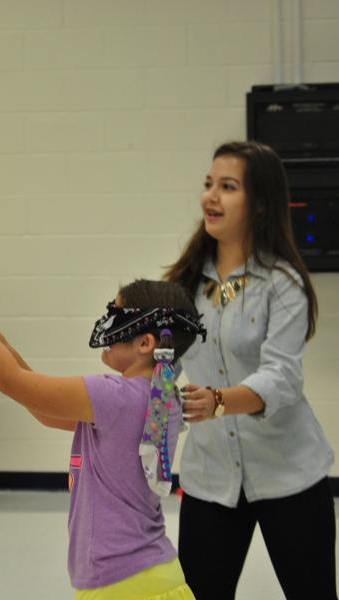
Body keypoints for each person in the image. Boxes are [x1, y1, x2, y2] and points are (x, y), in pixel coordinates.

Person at [0, 278, 206, 599]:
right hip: (154, 577)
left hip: (119, 586)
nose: (107, 326)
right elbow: (43, 406)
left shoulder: (115, 396)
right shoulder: (158, 397)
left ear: (145, 343)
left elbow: (13, 382)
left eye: (118, 317)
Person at [165, 141, 336, 600]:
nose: (210, 197)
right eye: (208, 185)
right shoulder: (182, 285)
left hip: (289, 475)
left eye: (227, 187)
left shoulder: (283, 285)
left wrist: (219, 401)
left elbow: (281, 376)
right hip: (210, 479)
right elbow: (162, 363)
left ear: (259, 204)